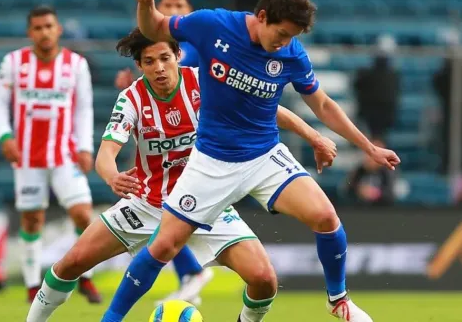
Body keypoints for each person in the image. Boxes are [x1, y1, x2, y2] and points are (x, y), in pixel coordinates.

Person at [102, 0, 402, 322]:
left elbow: (321, 104)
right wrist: (145, 3)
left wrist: (368, 147)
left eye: (292, 37)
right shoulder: (212, 25)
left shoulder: (290, 53)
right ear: (261, 16)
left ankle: (339, 301)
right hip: (212, 161)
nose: (285, 43)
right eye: (282, 33)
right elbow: (154, 26)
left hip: (264, 156)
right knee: (163, 246)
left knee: (325, 217)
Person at [25, 29, 337, 322]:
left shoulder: (206, 82)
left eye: (164, 58)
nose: (159, 67)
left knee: (264, 280)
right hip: (149, 203)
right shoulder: (131, 99)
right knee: (70, 264)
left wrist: (314, 136)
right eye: (149, 61)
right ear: (139, 65)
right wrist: (112, 176)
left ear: (177, 55)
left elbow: (267, 109)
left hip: (208, 203)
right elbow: (105, 154)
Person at [0, 6, 101, 303]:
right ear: (30, 32)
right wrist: (4, 135)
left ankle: (86, 277)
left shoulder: (75, 65)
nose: (44, 32)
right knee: (31, 220)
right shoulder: (13, 63)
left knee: (82, 213)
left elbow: (83, 108)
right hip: (27, 156)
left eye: (49, 26)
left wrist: (85, 147)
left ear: (58, 29)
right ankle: (32, 285)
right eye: (38, 27)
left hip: (65, 155)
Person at [116, 0, 214, 305]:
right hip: (159, 142)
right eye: (166, 5)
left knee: (168, 211)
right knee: (160, 206)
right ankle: (189, 272)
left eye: (178, 6)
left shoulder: (194, 48)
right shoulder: (155, 44)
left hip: (198, 154)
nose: (171, 11)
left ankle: (192, 271)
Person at [115, 0, 198, 89]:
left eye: (179, 6)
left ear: (190, 10)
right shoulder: (144, 40)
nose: (173, 12)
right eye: (168, 5)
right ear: (158, 8)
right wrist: (130, 81)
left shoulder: (200, 41)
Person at [343, 139, 396, 207]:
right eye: (369, 153)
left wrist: (375, 193)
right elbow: (347, 191)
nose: (370, 158)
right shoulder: (359, 170)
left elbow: (391, 194)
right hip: (359, 210)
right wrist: (359, 191)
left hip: (383, 211)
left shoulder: (388, 171)